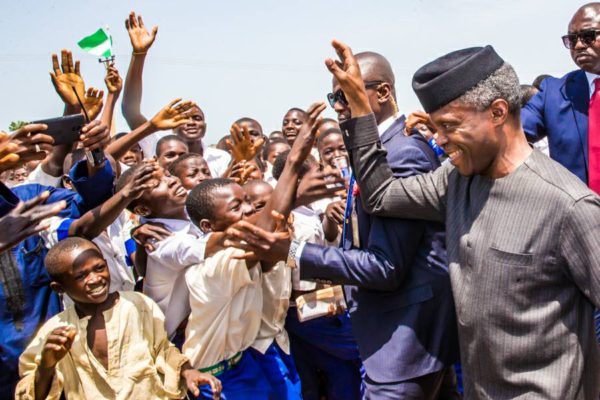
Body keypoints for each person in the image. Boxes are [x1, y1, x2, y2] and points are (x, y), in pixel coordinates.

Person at [322, 39, 600, 398]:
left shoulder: (569, 206)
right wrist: (360, 109)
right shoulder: (454, 182)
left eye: (450, 126)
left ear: (498, 112)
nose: (439, 140)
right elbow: (380, 195)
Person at [16, 237, 221, 399]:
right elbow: (31, 392)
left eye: (99, 268)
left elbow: (163, 350)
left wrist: (188, 372)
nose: (95, 279)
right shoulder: (55, 331)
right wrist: (47, 364)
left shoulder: (137, 304)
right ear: (59, 288)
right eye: (81, 276)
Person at [122, 11, 230, 177]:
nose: (191, 122)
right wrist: (139, 55)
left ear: (205, 127)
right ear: (171, 126)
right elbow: (130, 110)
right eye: (184, 118)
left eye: (197, 118)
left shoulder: (220, 158)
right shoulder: (158, 145)